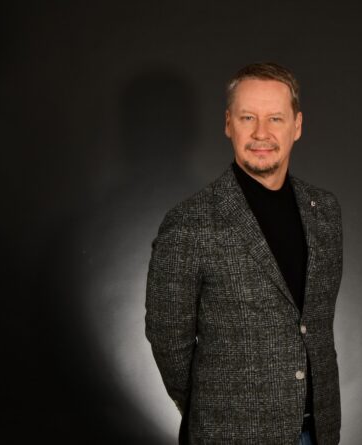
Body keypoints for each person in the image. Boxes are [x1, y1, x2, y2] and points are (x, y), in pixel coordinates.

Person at [145, 62, 343, 445]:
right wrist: (214, 407)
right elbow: (168, 338)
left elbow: (316, 327)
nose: (261, 133)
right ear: (228, 124)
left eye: (275, 119)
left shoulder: (325, 212)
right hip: (229, 433)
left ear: (297, 126)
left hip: (317, 430)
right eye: (247, 117)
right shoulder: (190, 222)